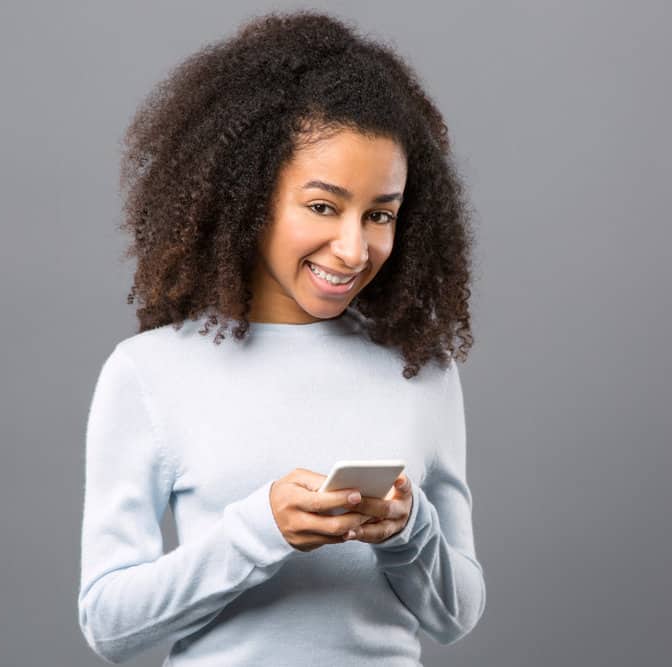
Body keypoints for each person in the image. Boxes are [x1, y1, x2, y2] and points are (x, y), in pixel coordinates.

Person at [77, 9, 485, 665]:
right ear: (250, 194)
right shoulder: (148, 374)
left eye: (379, 214)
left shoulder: (422, 369)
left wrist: (408, 532)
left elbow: (454, 616)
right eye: (323, 206)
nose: (353, 249)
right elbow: (109, 625)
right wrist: (260, 530)